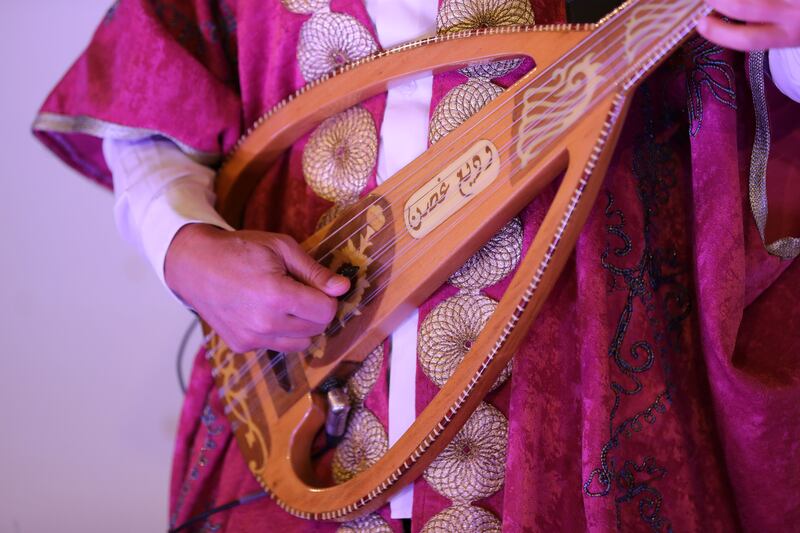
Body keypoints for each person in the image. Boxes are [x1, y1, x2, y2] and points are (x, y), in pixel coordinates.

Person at [34, 0, 800, 531]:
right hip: (283, 395)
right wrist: (186, 249)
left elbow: (754, 91)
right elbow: (151, 102)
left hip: (573, 414)